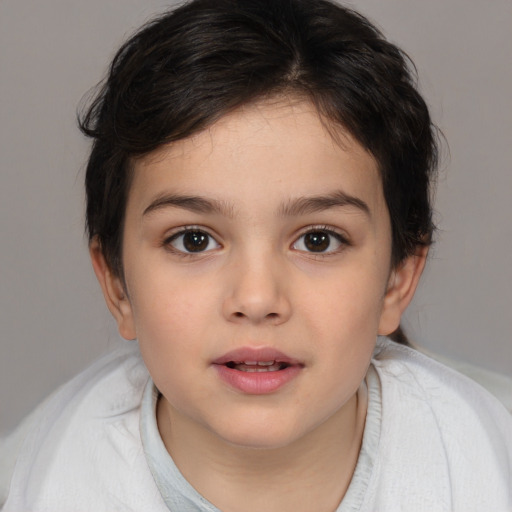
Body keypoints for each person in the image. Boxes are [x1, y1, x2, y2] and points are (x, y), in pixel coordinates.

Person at [1, 0, 511, 510]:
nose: (256, 298)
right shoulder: (29, 483)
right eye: (193, 240)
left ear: (398, 278)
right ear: (117, 284)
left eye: (318, 239)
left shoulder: (491, 459)